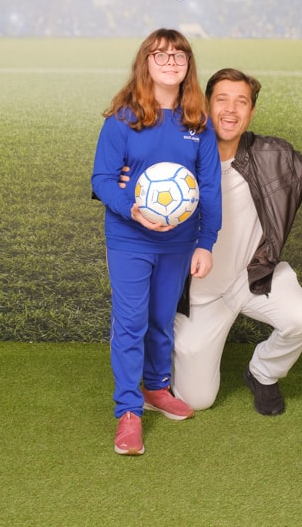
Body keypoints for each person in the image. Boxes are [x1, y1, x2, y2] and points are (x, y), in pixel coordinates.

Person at [171, 68, 302, 416]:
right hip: (199, 295)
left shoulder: (274, 154)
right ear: (206, 105)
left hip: (253, 277)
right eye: (222, 100)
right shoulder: (177, 154)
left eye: (241, 102)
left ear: (251, 112)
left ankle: (263, 372)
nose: (231, 109)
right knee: (195, 400)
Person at [91, 29, 221, 455]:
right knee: (131, 322)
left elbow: (209, 186)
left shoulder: (197, 122)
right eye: (160, 55)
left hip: (179, 243)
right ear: (145, 62)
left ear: (188, 66)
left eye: (179, 55)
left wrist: (206, 241)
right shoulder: (123, 119)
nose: (170, 62)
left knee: (162, 318)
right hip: (129, 238)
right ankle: (129, 411)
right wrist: (131, 208)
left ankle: (156, 388)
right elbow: (102, 180)